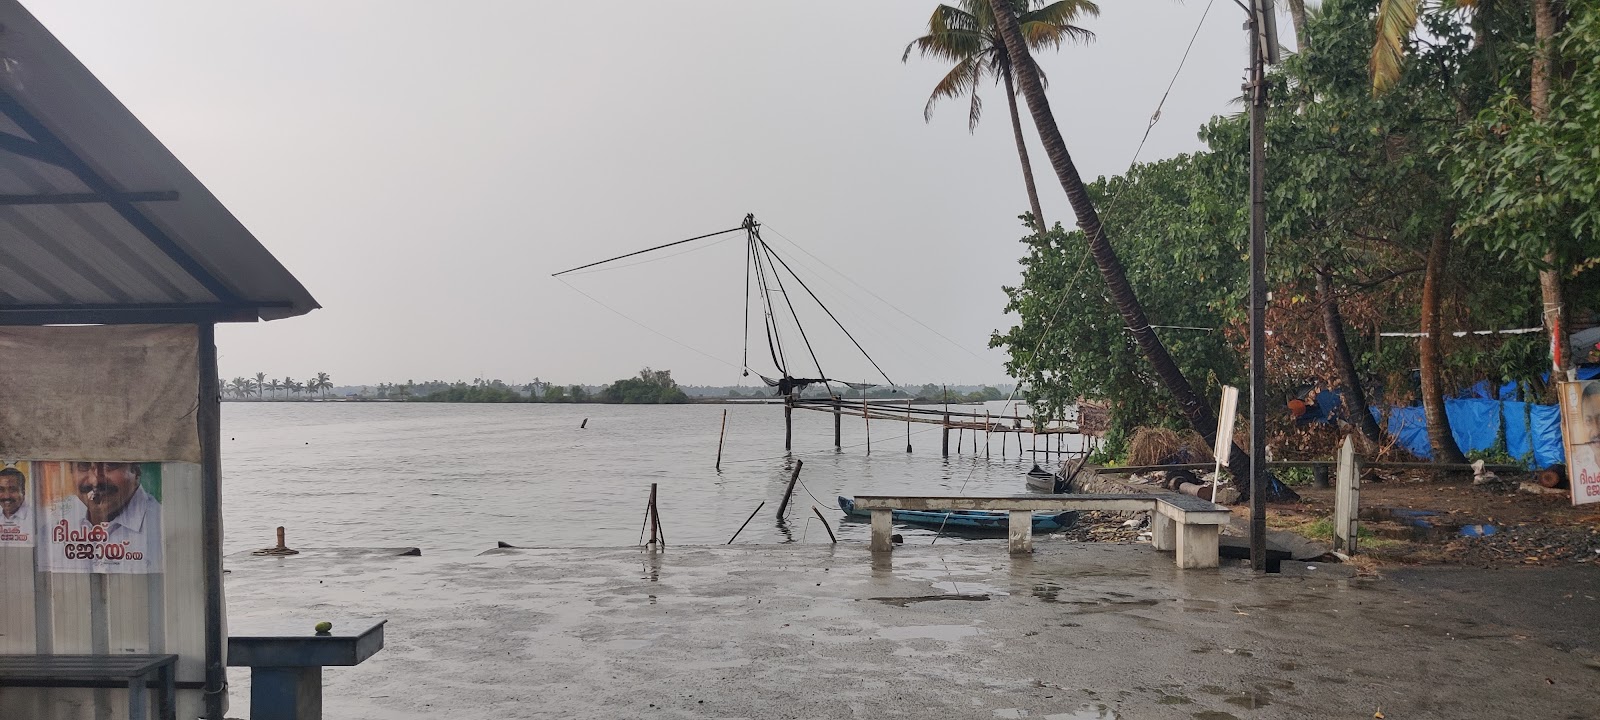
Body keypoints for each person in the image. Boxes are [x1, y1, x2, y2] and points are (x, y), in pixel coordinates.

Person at [46, 461, 162, 572]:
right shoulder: (53, 526)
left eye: (110, 465)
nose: (94, 481)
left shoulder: (163, 529)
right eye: (83, 465)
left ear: (136, 471)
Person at [0, 466, 31, 544]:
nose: (6, 496)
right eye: (1, 490)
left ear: (23, 492)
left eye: (12, 490)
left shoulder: (34, 519)